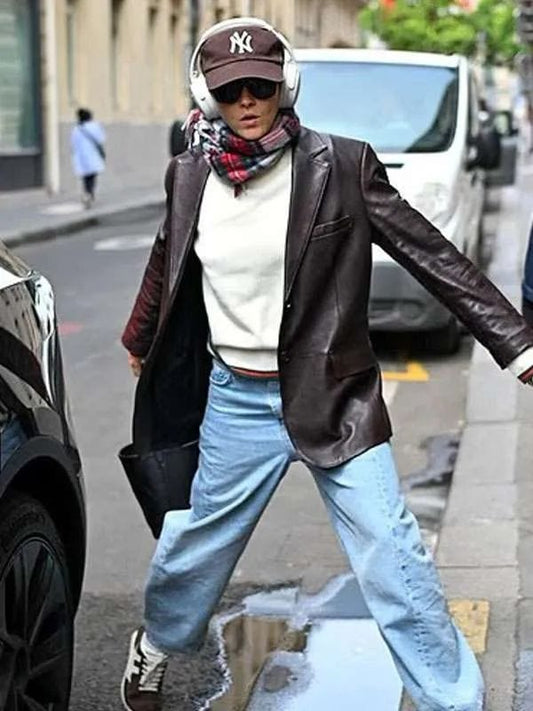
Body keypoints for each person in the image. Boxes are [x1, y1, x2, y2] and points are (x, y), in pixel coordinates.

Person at [120, 18, 533, 711]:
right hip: (235, 399)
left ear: (285, 87)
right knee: (195, 550)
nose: (247, 102)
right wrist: (140, 336)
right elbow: (170, 254)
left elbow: (431, 255)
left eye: (260, 87)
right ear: (207, 95)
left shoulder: (340, 165)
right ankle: (157, 644)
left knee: (393, 554)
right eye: (230, 90)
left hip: (334, 395)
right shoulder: (189, 173)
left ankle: (454, 700)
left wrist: (515, 342)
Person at [70, 108, 105, 208]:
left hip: (81, 156)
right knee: (92, 176)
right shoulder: (95, 126)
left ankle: (87, 192)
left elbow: (73, 143)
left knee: (85, 176)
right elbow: (101, 139)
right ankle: (89, 193)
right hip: (92, 154)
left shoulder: (76, 129)